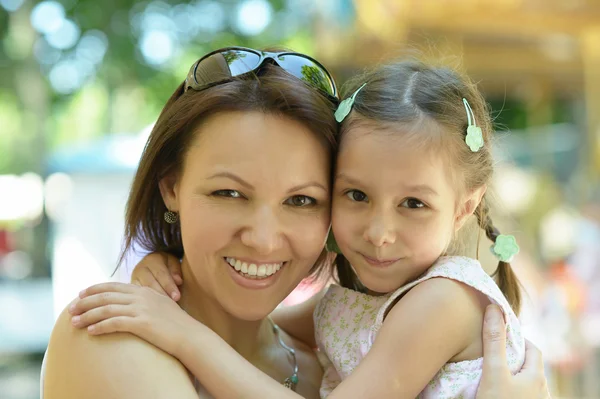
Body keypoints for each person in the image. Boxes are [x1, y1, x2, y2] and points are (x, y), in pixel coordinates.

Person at [54, 49, 548, 398]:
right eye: (228, 193)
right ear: (171, 188)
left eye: (301, 200)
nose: (264, 239)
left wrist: (185, 331)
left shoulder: (330, 358)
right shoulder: (113, 332)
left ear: (464, 206)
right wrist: (167, 282)